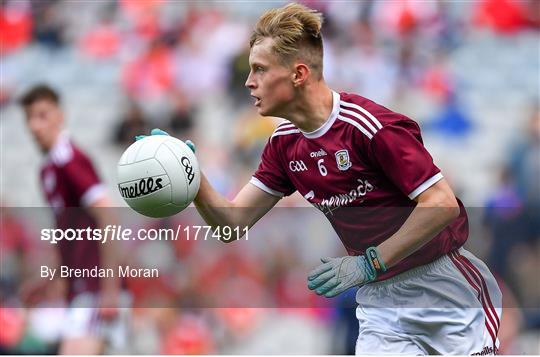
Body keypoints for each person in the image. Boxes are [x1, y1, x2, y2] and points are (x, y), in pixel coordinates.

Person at [142, 3, 502, 354]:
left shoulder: (370, 127)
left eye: (260, 70)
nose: (250, 82)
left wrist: (369, 262)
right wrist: (190, 174)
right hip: (380, 301)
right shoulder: (284, 145)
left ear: (298, 74)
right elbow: (232, 223)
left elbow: (441, 204)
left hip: (444, 287)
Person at [20, 85, 127, 354]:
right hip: (79, 289)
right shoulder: (48, 169)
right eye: (30, 118)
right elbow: (65, 230)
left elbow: (108, 215)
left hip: (96, 288)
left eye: (42, 115)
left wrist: (110, 288)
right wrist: (56, 276)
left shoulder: (70, 160)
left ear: (60, 116)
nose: (35, 125)